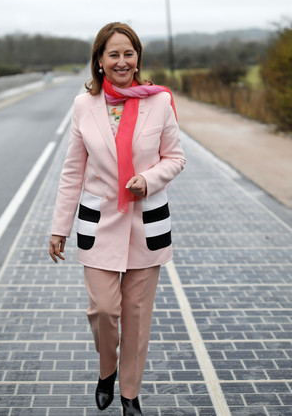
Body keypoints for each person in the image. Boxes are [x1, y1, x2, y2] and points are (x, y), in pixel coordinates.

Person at [48, 22, 186, 416]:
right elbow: (73, 171)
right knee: (105, 311)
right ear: (100, 61)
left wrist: (150, 178)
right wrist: (60, 228)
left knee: (137, 317)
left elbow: (175, 157)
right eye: (114, 54)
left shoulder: (158, 102)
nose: (123, 61)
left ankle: (129, 394)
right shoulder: (83, 106)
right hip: (99, 224)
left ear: (137, 58)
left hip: (147, 225)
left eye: (129, 53)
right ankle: (106, 370)